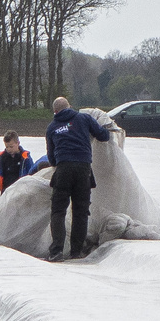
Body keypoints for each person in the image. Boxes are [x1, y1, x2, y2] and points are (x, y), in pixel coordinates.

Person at [43, 96, 113, 260]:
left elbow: (51, 157)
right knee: (80, 211)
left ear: (55, 111)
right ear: (70, 106)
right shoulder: (83, 118)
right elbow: (103, 136)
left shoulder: (52, 127)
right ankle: (76, 251)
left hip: (63, 169)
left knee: (58, 210)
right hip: (83, 170)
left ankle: (57, 250)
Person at [0, 130, 35, 201]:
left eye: (11, 147)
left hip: (21, 192)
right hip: (6, 192)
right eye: (7, 147)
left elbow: (32, 174)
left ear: (18, 143)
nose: (9, 149)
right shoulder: (1, 158)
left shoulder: (25, 158)